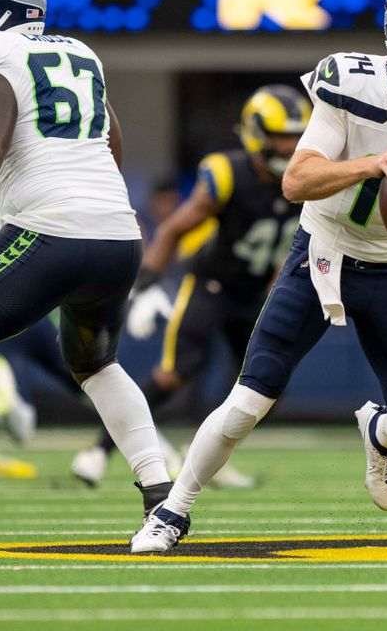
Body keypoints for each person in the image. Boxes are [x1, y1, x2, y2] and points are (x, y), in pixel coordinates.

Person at [129, 0, 387, 553]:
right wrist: (372, 163)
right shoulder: (351, 82)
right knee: (249, 399)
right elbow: (298, 180)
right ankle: (172, 512)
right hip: (325, 253)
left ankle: (379, 430)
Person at [0, 0, 173, 527]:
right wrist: (99, 210)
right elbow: (112, 141)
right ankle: (159, 488)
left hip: (49, 230)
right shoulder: (79, 53)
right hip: (118, 236)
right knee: (95, 363)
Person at [72, 85, 310, 489]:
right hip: (212, 287)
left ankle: (207, 455)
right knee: (174, 374)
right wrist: (143, 284)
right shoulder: (228, 173)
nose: (289, 146)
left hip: (255, 295)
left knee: (266, 387)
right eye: (280, 135)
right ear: (256, 134)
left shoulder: (307, 177)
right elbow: (174, 230)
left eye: (295, 136)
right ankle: (98, 450)